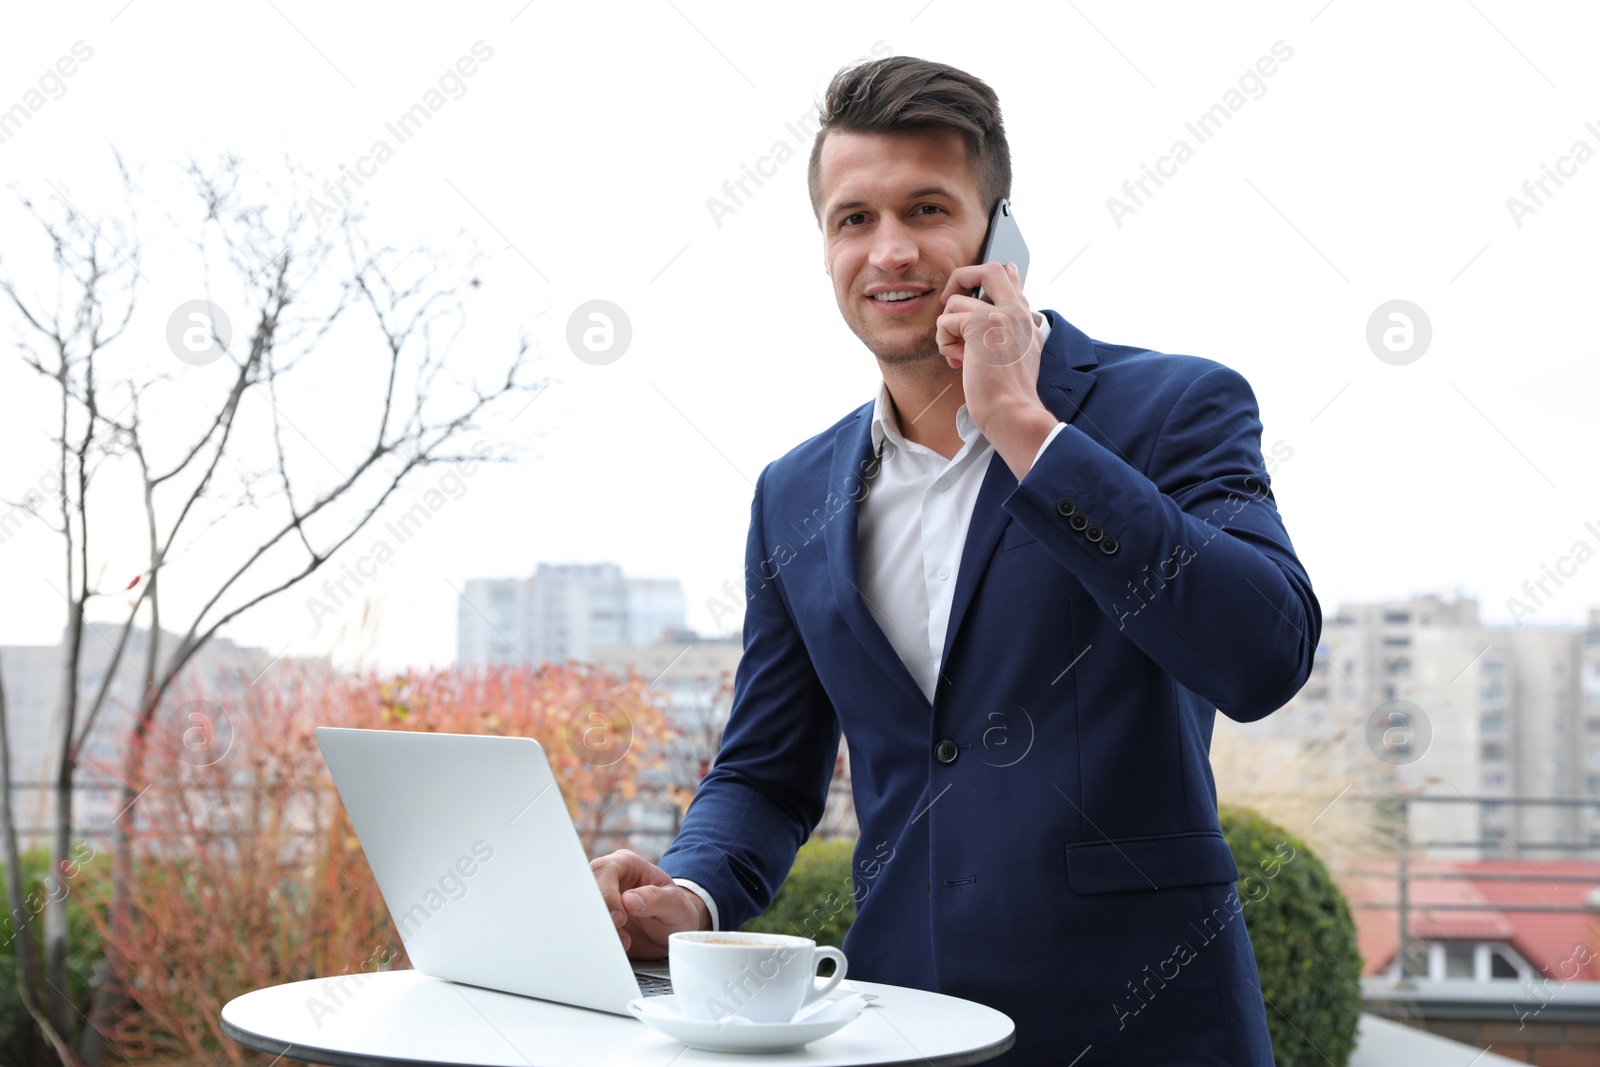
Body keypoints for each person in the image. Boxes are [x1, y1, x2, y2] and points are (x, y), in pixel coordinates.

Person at [591, 55, 1319, 1066]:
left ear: (998, 232)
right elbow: (764, 769)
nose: (889, 250)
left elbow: (1262, 654)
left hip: (1147, 1024)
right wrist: (692, 888)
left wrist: (1026, 426)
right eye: (853, 219)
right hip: (895, 1025)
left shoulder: (1173, 407)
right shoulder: (792, 492)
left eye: (926, 208)